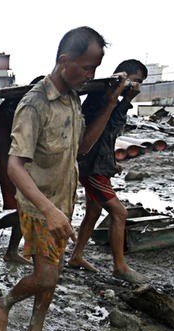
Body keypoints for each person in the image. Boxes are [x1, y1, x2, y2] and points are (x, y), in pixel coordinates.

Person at [0, 26, 128, 331]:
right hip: (39, 206)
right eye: (85, 67)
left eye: (94, 69)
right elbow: (14, 167)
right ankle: (3, 302)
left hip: (62, 202)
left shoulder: (71, 101)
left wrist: (110, 104)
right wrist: (49, 210)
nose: (90, 75)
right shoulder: (34, 103)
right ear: (64, 61)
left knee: (52, 272)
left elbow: (82, 148)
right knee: (46, 274)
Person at [68, 60, 149, 284]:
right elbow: (93, 131)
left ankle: (76, 256)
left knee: (93, 212)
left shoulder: (114, 96)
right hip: (92, 167)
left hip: (100, 165)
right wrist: (117, 98)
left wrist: (111, 161)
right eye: (137, 81)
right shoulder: (101, 93)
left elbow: (110, 132)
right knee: (119, 213)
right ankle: (119, 266)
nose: (137, 86)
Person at [0, 76, 45, 264]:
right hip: (9, 161)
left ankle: (11, 250)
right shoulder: (19, 107)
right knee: (24, 208)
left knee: (24, 207)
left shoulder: (18, 105)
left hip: (15, 160)